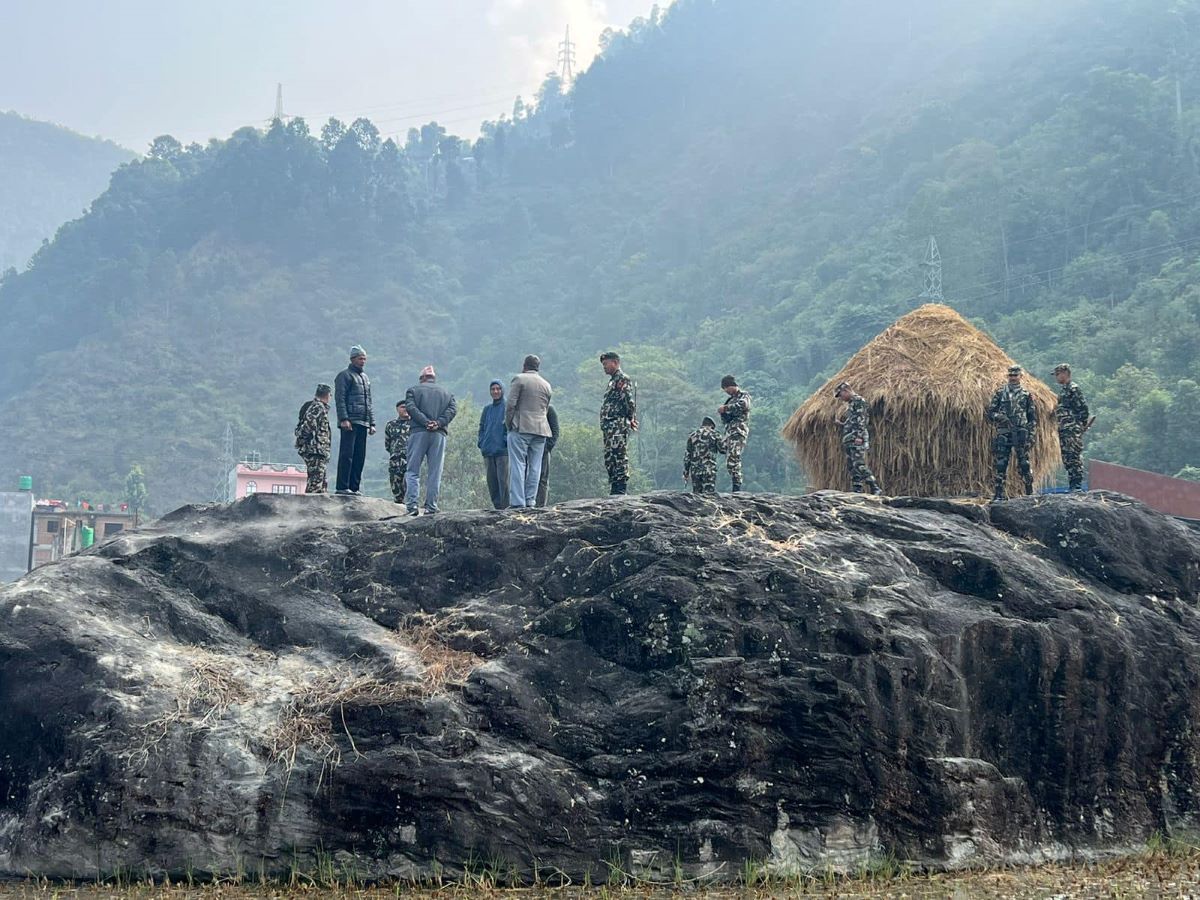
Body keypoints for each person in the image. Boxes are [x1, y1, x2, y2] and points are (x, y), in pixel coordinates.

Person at [404, 365, 457, 515]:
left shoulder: (413, 390)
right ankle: (431, 506)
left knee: (413, 470)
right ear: (434, 378)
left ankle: (412, 506)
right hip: (439, 434)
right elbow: (452, 410)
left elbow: (411, 408)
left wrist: (425, 422)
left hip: (418, 432)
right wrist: (438, 423)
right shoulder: (447, 393)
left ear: (422, 379)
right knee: (435, 471)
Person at [506, 355, 553, 508]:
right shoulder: (546, 385)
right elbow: (545, 408)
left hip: (521, 426)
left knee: (518, 464)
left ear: (524, 365)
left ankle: (518, 502)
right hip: (541, 429)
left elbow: (511, 405)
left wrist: (509, 424)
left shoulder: (519, 379)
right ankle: (530, 500)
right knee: (535, 466)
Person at [987, 365, 1037, 501]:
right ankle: (999, 493)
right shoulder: (1000, 393)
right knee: (1001, 463)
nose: (1013, 378)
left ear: (1021, 377)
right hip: (1004, 432)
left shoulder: (1027, 395)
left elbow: (1032, 418)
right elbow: (990, 413)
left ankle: (1029, 491)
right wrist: (1000, 417)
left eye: (1015, 375)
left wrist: (1031, 436)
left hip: (1021, 432)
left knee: (1024, 463)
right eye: (1011, 375)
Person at [334, 346, 375, 495]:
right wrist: (344, 418)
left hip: (363, 421)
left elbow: (368, 401)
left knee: (359, 455)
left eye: (364, 358)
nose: (362, 361)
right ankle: (342, 486)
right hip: (350, 421)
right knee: (347, 454)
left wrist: (372, 422)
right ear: (352, 359)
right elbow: (340, 399)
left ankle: (354, 487)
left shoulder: (365, 378)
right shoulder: (344, 376)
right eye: (360, 358)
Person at [600, 352, 637, 495]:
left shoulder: (622, 379)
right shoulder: (612, 381)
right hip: (609, 425)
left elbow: (628, 400)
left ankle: (621, 486)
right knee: (610, 456)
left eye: (606, 364)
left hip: (617, 424)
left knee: (619, 453)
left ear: (615, 362)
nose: (604, 367)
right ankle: (614, 484)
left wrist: (631, 417)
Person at [835, 381, 883, 495]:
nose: (841, 398)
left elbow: (861, 421)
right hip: (849, 439)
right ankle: (857, 488)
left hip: (856, 438)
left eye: (841, 395)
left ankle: (874, 486)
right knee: (852, 465)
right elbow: (852, 422)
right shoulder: (851, 405)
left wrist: (859, 436)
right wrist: (841, 425)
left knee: (859, 464)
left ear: (846, 391)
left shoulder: (858, 401)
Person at [1053, 363, 1090, 492]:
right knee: (1067, 457)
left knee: (1074, 455)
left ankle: (1077, 485)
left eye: (1058, 374)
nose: (1056, 378)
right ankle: (1072, 484)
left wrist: (1080, 425)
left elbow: (1083, 408)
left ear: (1065, 373)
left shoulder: (1073, 389)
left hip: (1072, 429)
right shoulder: (1064, 390)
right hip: (1064, 429)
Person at [294, 383, 332, 494]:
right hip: (315, 450)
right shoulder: (318, 407)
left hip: (318, 451)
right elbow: (308, 426)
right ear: (327, 395)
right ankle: (309, 509)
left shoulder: (316, 407)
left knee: (321, 483)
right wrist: (303, 441)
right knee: (315, 485)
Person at [477, 380, 509, 509]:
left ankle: (507, 508)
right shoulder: (487, 409)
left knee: (504, 482)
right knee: (492, 482)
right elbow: (482, 427)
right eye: (493, 389)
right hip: (488, 450)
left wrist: (505, 441)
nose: (495, 391)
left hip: (502, 451)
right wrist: (481, 442)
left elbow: (511, 426)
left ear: (502, 390)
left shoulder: (507, 407)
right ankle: (497, 508)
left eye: (498, 389)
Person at [718, 374, 751, 492]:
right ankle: (735, 483)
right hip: (729, 432)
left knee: (733, 458)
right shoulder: (730, 400)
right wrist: (723, 413)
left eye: (726, 389)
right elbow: (725, 420)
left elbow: (744, 405)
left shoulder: (743, 395)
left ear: (729, 386)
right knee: (728, 460)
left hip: (738, 431)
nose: (726, 392)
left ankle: (737, 486)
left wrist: (726, 408)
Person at [683, 416, 727, 495]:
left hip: (695, 470)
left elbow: (687, 456)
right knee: (709, 496)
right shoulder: (715, 434)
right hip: (709, 469)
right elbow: (723, 450)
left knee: (696, 496)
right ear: (711, 426)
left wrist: (686, 472)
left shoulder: (692, 435)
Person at [384, 401, 412, 504]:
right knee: (396, 483)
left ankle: (412, 503)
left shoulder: (415, 425)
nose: (405, 409)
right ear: (397, 409)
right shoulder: (391, 425)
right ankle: (399, 503)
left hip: (411, 458)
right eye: (402, 407)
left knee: (411, 482)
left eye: (407, 407)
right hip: (395, 460)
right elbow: (387, 444)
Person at [535, 404, 559, 508]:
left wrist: (548, 446)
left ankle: (541, 505)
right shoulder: (530, 407)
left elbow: (555, 430)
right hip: (530, 448)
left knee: (542, 478)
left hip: (544, 449)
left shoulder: (549, 409)